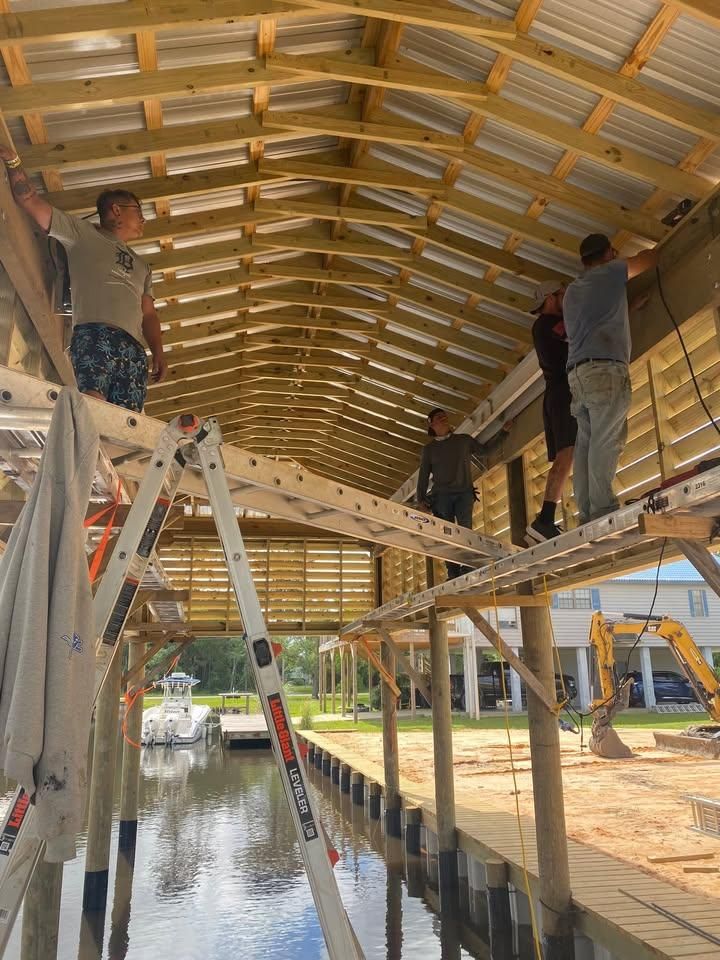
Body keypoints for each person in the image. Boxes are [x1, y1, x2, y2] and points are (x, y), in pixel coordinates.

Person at [0, 145, 166, 411]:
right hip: (94, 334)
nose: (144, 219)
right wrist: (13, 162)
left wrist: (157, 351)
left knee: (128, 420)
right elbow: (29, 199)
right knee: (92, 404)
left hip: (133, 348)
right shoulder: (82, 233)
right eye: (138, 210)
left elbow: (148, 315)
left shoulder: (143, 266)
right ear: (117, 210)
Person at [563, 233, 657, 523]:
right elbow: (650, 260)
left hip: (580, 374)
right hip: (605, 372)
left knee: (588, 442)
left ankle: (588, 513)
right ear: (608, 253)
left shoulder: (573, 291)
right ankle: (602, 509)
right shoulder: (610, 272)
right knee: (606, 439)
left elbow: (596, 322)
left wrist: (628, 308)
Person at [525, 280, 576, 543]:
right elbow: (579, 330)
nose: (565, 298)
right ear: (549, 298)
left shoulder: (543, 327)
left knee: (567, 454)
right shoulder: (546, 325)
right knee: (567, 453)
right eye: (561, 294)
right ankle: (544, 519)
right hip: (561, 394)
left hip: (557, 395)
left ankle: (545, 519)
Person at [416, 408, 490, 580]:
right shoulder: (429, 450)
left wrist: (504, 433)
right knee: (446, 534)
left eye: (445, 416)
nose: (443, 418)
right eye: (438, 417)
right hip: (441, 498)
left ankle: (467, 566)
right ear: (431, 424)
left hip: (464, 493)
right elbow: (423, 476)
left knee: (465, 529)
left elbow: (484, 451)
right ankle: (453, 571)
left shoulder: (463, 440)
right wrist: (421, 500)